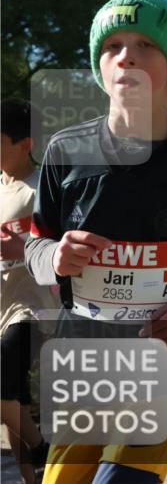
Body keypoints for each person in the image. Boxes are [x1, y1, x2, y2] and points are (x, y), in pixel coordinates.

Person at [24, 0, 167, 484]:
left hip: (164, 365)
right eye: (112, 46)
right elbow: (34, 246)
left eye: (145, 44)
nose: (126, 55)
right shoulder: (65, 151)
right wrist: (55, 257)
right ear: (100, 67)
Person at [1, 99, 57, 483]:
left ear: (25, 144)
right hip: (1, 308)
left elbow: (61, 247)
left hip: (35, 307)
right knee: (12, 399)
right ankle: (32, 475)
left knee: (3, 383)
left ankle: (43, 449)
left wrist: (22, 248)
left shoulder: (44, 189)